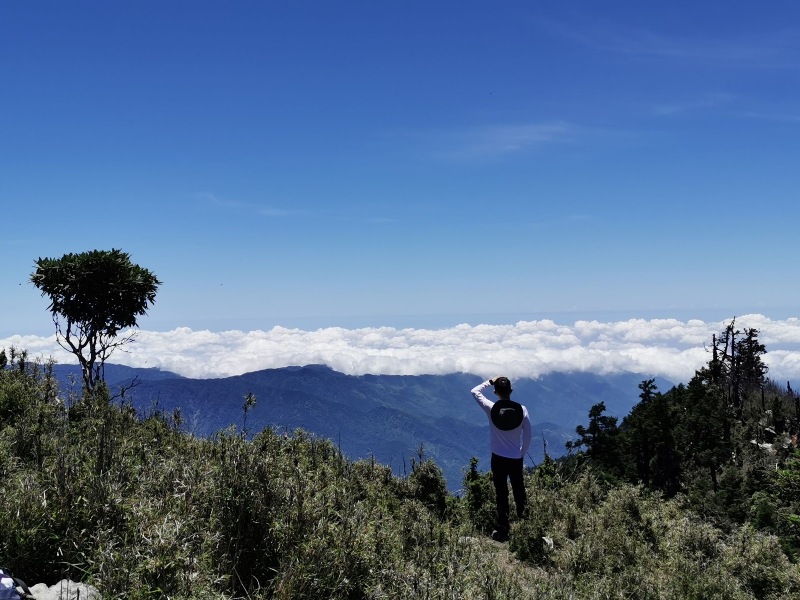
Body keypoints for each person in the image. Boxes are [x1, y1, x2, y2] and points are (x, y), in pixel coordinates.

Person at [471, 376, 532, 542]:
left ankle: (503, 529)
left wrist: (490, 381)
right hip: (515, 458)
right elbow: (528, 436)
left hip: (498, 457)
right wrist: (521, 453)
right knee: (519, 491)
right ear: (511, 391)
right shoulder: (522, 410)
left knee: (501, 493)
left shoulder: (491, 408)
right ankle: (526, 525)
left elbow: (474, 392)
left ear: (496, 392)